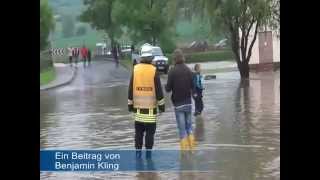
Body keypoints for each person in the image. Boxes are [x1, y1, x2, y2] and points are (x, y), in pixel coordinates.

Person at [128, 44, 165, 159]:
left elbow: (130, 88)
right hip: (150, 110)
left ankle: (138, 154)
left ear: (141, 57)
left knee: (138, 133)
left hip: (138, 110)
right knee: (150, 133)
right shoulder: (154, 70)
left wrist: (130, 106)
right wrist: (162, 107)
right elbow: (159, 91)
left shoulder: (135, 69)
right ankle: (148, 155)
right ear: (151, 57)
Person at [165, 49, 196, 151]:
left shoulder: (172, 71)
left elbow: (168, 89)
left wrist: (168, 81)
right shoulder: (188, 70)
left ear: (174, 59)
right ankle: (192, 150)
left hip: (178, 104)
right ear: (183, 57)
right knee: (189, 128)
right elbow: (193, 86)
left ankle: (184, 154)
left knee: (182, 130)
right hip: (188, 103)